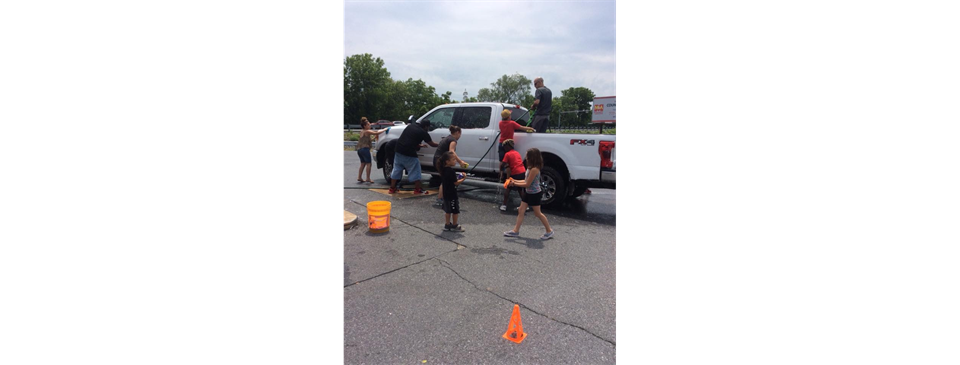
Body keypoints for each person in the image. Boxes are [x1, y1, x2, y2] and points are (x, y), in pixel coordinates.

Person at [504, 148, 555, 240]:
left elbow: (527, 184)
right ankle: (515, 231)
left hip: (535, 194)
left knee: (538, 213)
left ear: (532, 157)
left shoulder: (535, 170)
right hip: (528, 193)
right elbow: (526, 181)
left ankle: (549, 231)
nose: (526, 158)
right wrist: (514, 180)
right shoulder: (530, 168)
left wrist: (514, 183)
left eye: (527, 156)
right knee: (521, 210)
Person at [389, 119, 439, 194]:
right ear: (426, 126)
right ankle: (417, 189)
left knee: (396, 169)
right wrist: (442, 144)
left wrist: (419, 145)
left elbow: (408, 139)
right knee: (416, 170)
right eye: (428, 127)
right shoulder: (423, 132)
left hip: (398, 150)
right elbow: (432, 144)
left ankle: (392, 188)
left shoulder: (411, 126)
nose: (428, 129)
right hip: (409, 153)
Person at [434, 126, 468, 206]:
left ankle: (441, 198)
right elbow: (451, 151)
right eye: (460, 134)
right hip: (441, 161)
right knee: (445, 182)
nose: (460, 136)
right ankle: (440, 198)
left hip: (438, 160)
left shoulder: (448, 138)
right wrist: (460, 162)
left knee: (445, 180)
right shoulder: (453, 140)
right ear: (457, 132)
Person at [439, 151, 466, 232]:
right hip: (452, 195)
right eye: (453, 159)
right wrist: (463, 178)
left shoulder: (443, 170)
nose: (455, 161)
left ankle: (447, 224)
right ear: (447, 161)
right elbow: (456, 182)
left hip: (446, 194)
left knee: (447, 210)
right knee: (455, 211)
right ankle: (454, 225)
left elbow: (451, 180)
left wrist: (459, 177)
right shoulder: (451, 171)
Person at [499, 139, 528, 212]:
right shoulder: (516, 153)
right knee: (520, 189)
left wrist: (501, 172)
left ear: (508, 147)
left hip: (515, 173)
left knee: (508, 188)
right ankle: (525, 206)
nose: (504, 149)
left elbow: (503, 164)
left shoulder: (507, 154)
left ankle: (504, 205)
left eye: (505, 147)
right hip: (523, 172)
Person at [357, 117, 386, 183]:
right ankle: (368, 178)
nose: (370, 126)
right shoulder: (367, 131)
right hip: (365, 149)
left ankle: (359, 177)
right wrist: (385, 129)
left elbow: (367, 140)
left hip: (359, 149)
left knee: (362, 163)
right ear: (365, 126)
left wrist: (373, 138)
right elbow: (377, 132)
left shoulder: (362, 132)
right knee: (368, 163)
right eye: (368, 125)